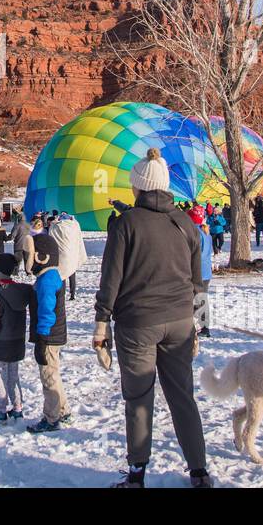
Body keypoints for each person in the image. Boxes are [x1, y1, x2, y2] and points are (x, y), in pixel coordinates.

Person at [94, 148, 211, 489]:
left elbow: (110, 279)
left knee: (139, 398)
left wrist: (101, 324)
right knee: (182, 397)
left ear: (140, 187)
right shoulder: (186, 223)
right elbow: (198, 280)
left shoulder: (126, 223)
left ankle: (137, 474)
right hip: (180, 322)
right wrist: (200, 324)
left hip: (137, 325)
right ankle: (199, 471)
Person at [26, 230, 70, 434]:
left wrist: (42, 338)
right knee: (54, 372)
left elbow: (46, 311)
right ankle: (63, 409)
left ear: (40, 257)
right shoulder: (51, 275)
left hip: (49, 336)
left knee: (48, 376)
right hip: (55, 334)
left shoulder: (46, 282)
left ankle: (51, 418)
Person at [0, 253, 31, 421]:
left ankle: (1, 409)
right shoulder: (21, 291)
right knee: (13, 376)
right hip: (17, 343)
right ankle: (17, 407)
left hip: (0, 344)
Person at [11, 210, 36, 275]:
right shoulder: (30, 225)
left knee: (17, 261)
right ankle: (28, 272)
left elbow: (13, 235)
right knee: (27, 260)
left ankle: (15, 273)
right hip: (28, 245)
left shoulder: (17, 225)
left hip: (18, 245)